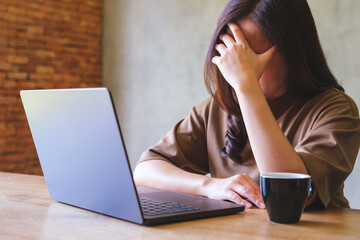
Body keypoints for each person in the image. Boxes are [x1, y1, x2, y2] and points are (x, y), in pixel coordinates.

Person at [134, 0, 360, 209]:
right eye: (231, 51)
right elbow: (145, 170)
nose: (236, 64)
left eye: (249, 54)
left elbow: (288, 195)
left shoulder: (336, 110)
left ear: (293, 52)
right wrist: (210, 186)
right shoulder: (217, 108)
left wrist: (247, 87)